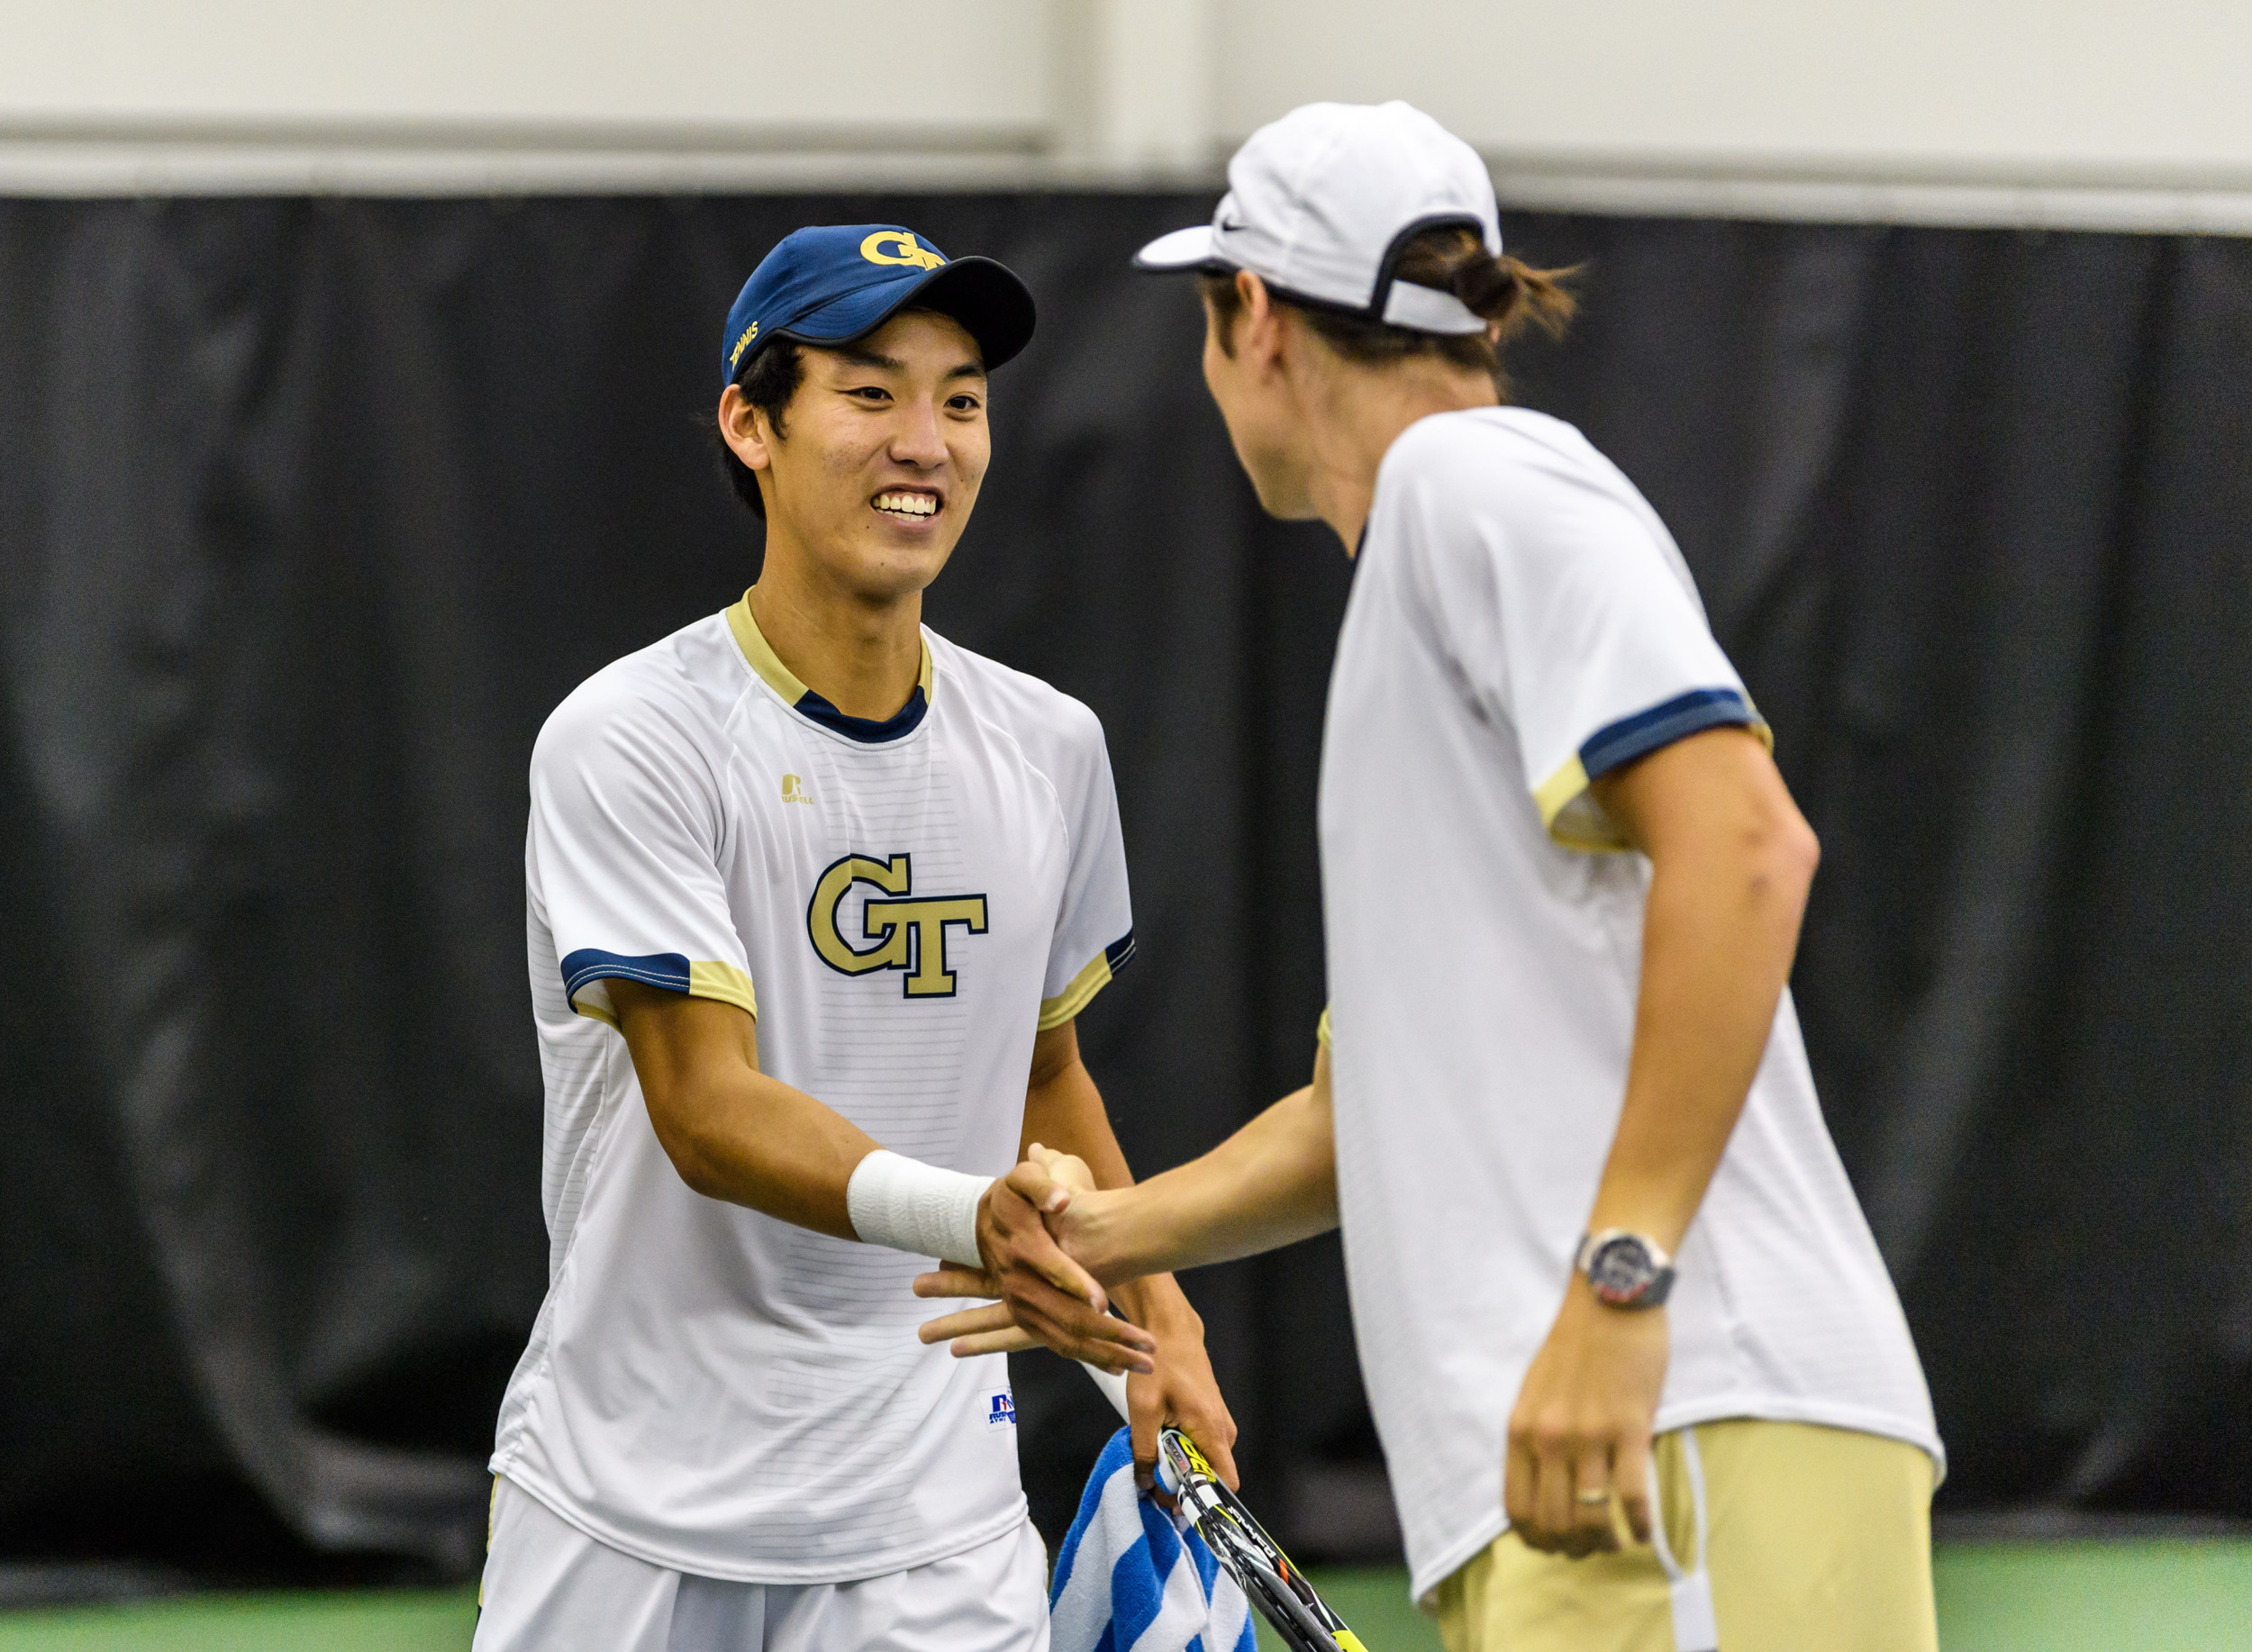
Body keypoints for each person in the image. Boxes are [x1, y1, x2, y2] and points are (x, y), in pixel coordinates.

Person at [917, 104, 1944, 1652]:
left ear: (1251, 316)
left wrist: (1616, 1291)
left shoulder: (1475, 485)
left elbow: (1747, 845)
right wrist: (1112, 1237)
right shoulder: (1421, 566)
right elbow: (1365, 1117)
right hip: (1573, 1466)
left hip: (1678, 1418)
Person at [474, 222, 1235, 1652]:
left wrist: (1161, 1322)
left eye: (961, 398)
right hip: (625, 1514)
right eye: (871, 392)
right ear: (748, 423)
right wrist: (976, 1222)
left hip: (934, 1540)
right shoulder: (628, 738)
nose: (928, 442)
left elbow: (1041, 1067)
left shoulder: (1051, 747)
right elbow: (707, 1109)